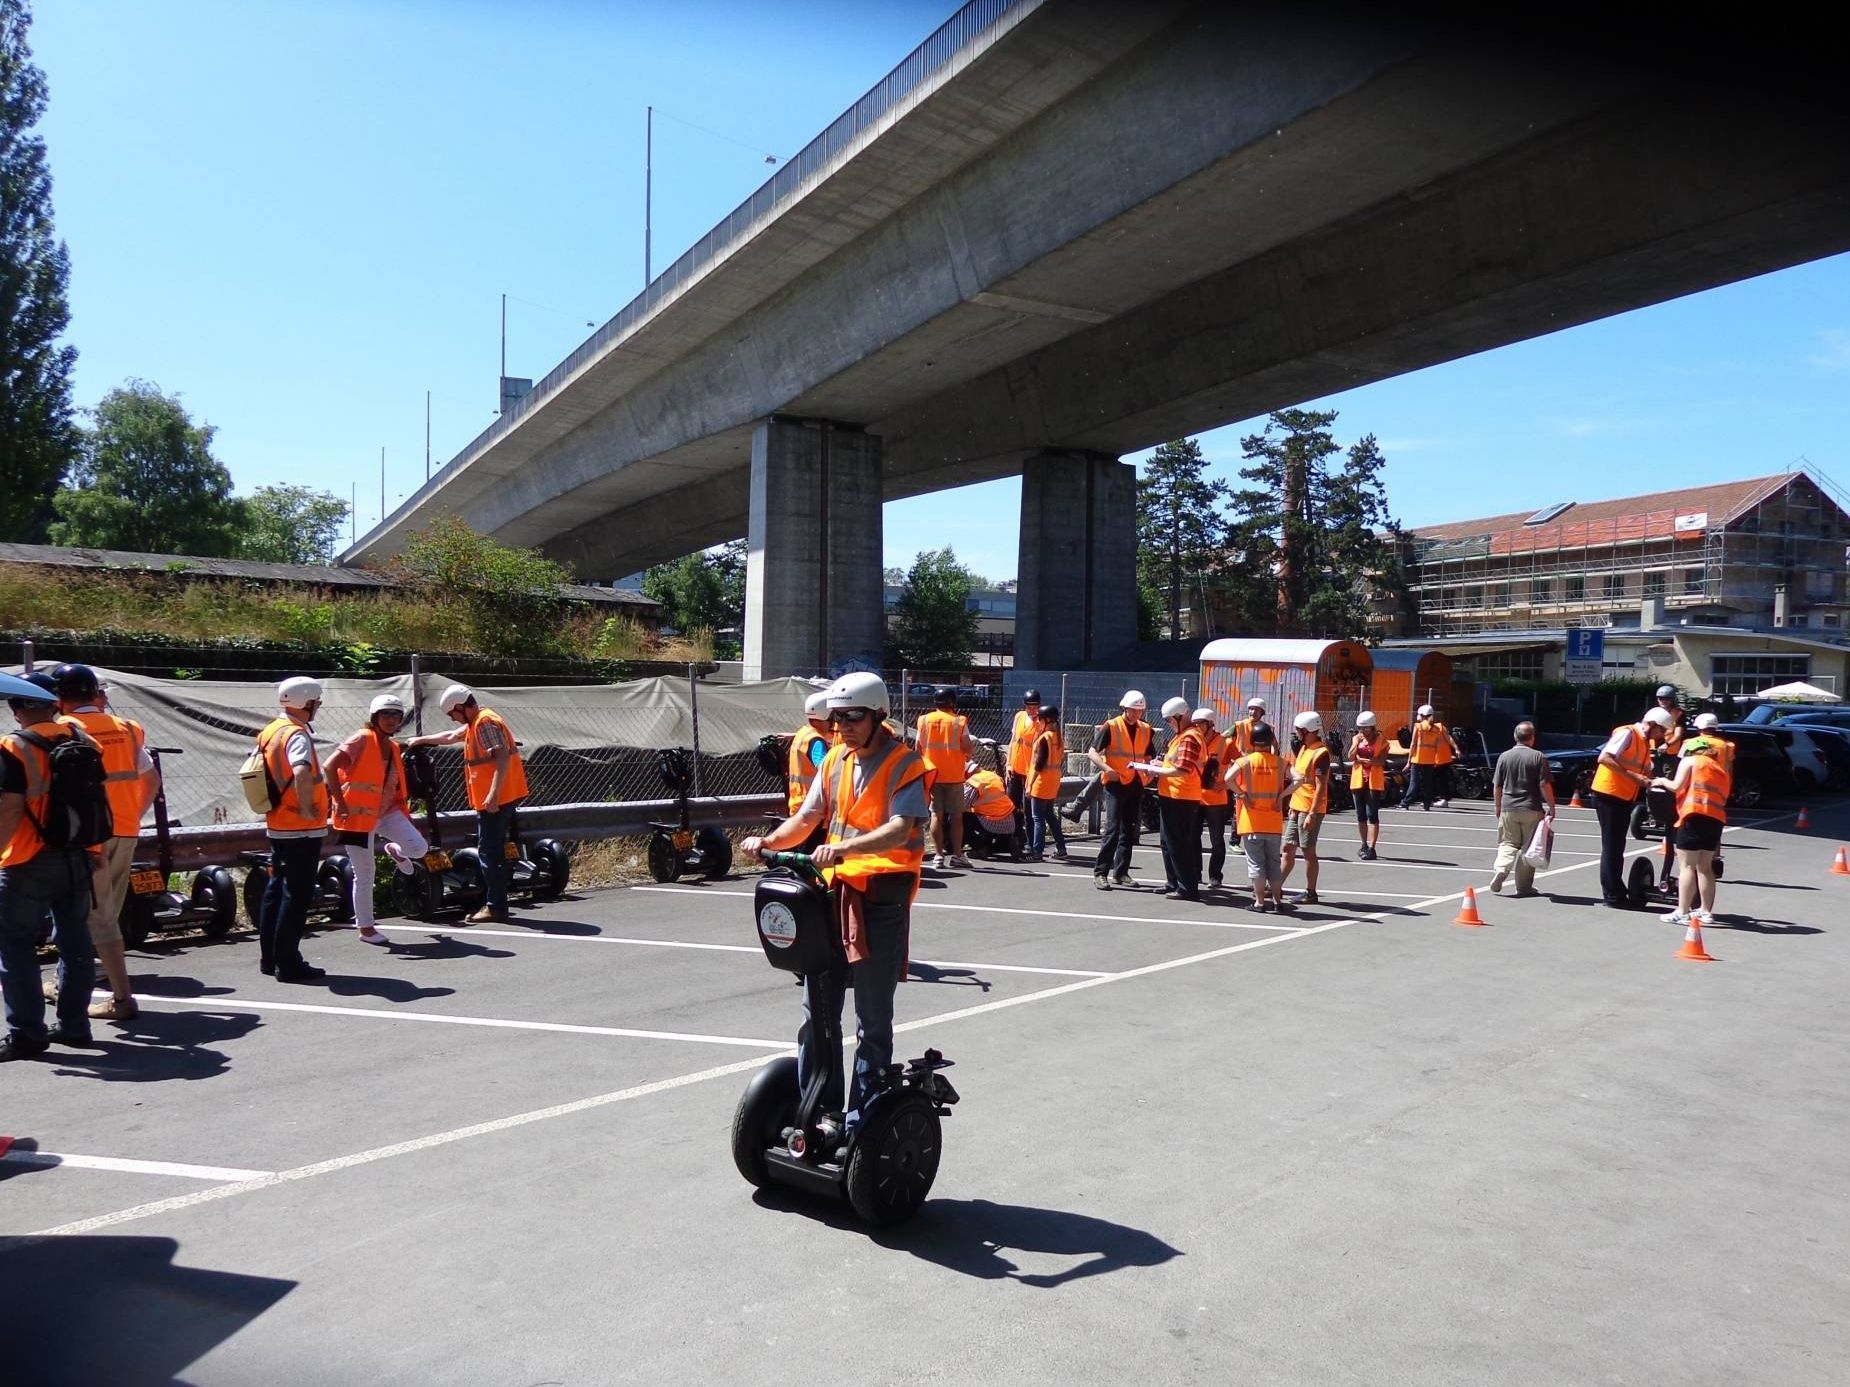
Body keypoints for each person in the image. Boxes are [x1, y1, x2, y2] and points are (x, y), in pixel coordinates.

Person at [741, 672, 927, 1126]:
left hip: (881, 898)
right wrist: (770, 841)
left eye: (851, 717)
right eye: (836, 717)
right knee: (817, 1009)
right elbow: (808, 817)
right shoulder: (836, 760)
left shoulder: (905, 764)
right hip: (832, 894)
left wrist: (843, 848)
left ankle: (864, 1119)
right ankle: (817, 1115)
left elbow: (902, 828)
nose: (841, 726)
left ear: (878, 715)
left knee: (871, 1016)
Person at [0, 670, 100, 1059]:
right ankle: (75, 1026)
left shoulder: (14, 747)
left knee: (16, 945)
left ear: (23, 706)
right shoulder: (82, 739)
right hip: (77, 854)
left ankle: (28, 1033)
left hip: (28, 857)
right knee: (75, 941)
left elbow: (9, 808)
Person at [52, 663, 157, 1020]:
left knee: (87, 912)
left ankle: (109, 992)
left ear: (59, 697)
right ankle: (78, 976)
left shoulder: (63, 731)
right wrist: (132, 813)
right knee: (106, 909)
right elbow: (151, 779)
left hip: (85, 835)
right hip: (125, 828)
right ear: (95, 693)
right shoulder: (127, 728)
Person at [408, 685, 529, 924]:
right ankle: (497, 901)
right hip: (503, 796)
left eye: (452, 714)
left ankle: (496, 906)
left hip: (496, 800)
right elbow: (452, 737)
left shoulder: (484, 723)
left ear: (461, 707)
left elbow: (501, 757)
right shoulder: (480, 720)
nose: (452, 719)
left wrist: (493, 795)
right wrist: (419, 740)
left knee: (489, 852)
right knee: (491, 850)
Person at [326, 693, 427, 944]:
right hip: (358, 817)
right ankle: (367, 929)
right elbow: (329, 766)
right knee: (365, 873)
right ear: (374, 717)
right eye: (386, 714)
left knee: (419, 848)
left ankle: (396, 850)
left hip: (387, 811)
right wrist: (338, 800)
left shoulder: (393, 746)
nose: (392, 719)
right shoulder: (361, 739)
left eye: (396, 715)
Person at [254, 677, 331, 980]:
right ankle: (288, 962)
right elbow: (300, 769)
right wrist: (307, 805)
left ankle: (269, 958)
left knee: (276, 890)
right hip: (301, 826)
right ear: (307, 702)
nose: (319, 707)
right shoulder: (297, 734)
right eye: (317, 702)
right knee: (296, 895)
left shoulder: (270, 731)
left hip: (278, 822)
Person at [1589, 705, 1674, 908]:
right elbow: (1605, 758)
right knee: (1612, 847)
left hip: (1622, 795)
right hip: (1609, 793)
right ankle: (1613, 895)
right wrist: (1634, 776)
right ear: (1652, 724)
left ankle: (1616, 892)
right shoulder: (1628, 732)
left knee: (1616, 846)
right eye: (1661, 730)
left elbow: (1643, 770)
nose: (1662, 735)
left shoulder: (1644, 741)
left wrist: (1655, 781)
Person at [1655, 733, 1729, 928]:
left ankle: (1682, 911)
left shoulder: (1690, 761)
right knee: (1705, 867)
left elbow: (1676, 786)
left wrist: (1661, 780)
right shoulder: (1719, 768)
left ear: (1690, 749)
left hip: (1693, 816)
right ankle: (1706, 912)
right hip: (1715, 820)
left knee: (1687, 867)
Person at [1087, 690, 1153, 891]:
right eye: (1134, 710)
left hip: (1135, 782)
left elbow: (1149, 755)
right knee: (1113, 829)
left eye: (1140, 711)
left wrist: (1149, 771)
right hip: (1115, 783)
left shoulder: (1146, 729)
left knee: (1129, 830)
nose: (1137, 714)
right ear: (1125, 708)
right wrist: (1108, 769)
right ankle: (1101, 872)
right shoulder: (1112, 726)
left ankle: (1121, 872)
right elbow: (1092, 752)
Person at [1144, 697, 1205, 900]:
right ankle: (1174, 882)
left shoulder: (1189, 738)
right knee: (1168, 842)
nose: (1169, 724)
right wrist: (1160, 765)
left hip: (1181, 796)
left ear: (1180, 717)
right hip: (1173, 795)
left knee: (1178, 843)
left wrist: (1156, 768)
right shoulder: (1182, 736)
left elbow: (1182, 770)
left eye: (1170, 720)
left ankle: (1187, 887)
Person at [1489, 721, 1556, 896]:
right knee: (1529, 848)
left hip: (1508, 807)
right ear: (1532, 738)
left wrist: (1497, 806)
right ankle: (1524, 886)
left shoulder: (1504, 756)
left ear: (1515, 736)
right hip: (1531, 808)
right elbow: (1545, 785)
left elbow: (1497, 785)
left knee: (1507, 843)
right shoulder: (1539, 757)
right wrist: (1551, 807)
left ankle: (1502, 869)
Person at [1228, 723, 1288, 912]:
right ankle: (1278, 902)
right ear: (1270, 740)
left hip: (1251, 821)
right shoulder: (1280, 762)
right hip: (1273, 821)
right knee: (1274, 863)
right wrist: (1282, 795)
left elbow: (1227, 779)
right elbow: (1299, 778)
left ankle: (1260, 902)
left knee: (1256, 864)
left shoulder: (1245, 761)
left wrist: (1241, 794)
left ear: (1252, 741)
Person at [916, 687, 975, 870]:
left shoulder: (924, 720)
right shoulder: (959, 721)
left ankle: (939, 855)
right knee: (956, 817)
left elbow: (918, 747)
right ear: (952, 702)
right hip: (954, 776)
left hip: (932, 775)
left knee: (936, 815)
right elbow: (966, 746)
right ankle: (957, 855)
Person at [1281, 711, 1330, 905]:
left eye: (1298, 730)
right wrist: (1293, 805)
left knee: (1308, 850)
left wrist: (1311, 813)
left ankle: (1311, 892)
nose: (1296, 734)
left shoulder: (1321, 753)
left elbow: (1320, 786)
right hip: (1298, 806)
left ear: (1307, 730)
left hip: (1311, 809)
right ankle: (1274, 886)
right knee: (1287, 848)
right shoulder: (1303, 749)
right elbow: (1299, 779)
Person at [1025, 704, 1068, 863]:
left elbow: (1039, 764)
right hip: (1053, 782)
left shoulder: (1044, 738)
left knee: (1038, 818)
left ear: (1046, 720)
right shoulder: (1058, 737)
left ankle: (1037, 852)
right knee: (1050, 815)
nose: (1038, 723)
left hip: (1041, 782)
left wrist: (1030, 784)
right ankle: (1061, 848)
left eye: (1040, 720)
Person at [1195, 709, 1231, 888]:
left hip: (1216, 799)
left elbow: (1242, 765)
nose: (1197, 727)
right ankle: (1195, 873)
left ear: (1210, 724)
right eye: (1195, 723)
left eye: (1200, 723)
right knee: (1193, 837)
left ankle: (1215, 876)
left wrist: (1226, 784)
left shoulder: (1225, 742)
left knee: (1216, 840)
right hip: (1195, 796)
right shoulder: (1193, 741)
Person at [1347, 710, 1386, 860]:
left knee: (1372, 815)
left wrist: (1363, 760)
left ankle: (1372, 847)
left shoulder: (1381, 740)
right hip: (1358, 781)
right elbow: (1351, 757)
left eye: (1366, 728)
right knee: (1360, 815)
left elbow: (1380, 760)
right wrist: (1356, 743)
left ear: (1372, 727)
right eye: (1361, 728)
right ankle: (1363, 844)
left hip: (1373, 781)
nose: (1363, 731)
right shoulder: (1357, 738)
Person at [1402, 704, 1453, 810]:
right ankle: (1426, 804)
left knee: (1414, 783)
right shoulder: (1435, 729)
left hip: (1417, 759)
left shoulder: (1418, 727)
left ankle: (1405, 803)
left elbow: (1413, 744)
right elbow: (1437, 745)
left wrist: (1408, 761)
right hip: (1430, 760)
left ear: (1421, 715)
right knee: (1427, 784)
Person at [1005, 688, 1041, 827]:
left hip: (1030, 769)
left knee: (1028, 808)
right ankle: (1015, 835)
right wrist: (1009, 763)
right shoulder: (1019, 716)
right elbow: (1013, 740)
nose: (1032, 710)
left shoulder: (1041, 722)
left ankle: (1029, 839)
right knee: (1012, 804)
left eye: (1035, 707)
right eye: (1029, 707)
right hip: (1015, 766)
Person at [962, 760, 1017, 846]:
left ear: (968, 773)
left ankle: (979, 847)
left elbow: (963, 804)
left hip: (991, 824)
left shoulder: (975, 780)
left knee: (961, 817)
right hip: (1009, 824)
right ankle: (1002, 844)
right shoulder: (994, 776)